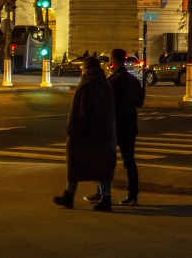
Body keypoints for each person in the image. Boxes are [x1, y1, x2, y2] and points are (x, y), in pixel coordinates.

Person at [54, 56, 116, 212]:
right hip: (104, 133)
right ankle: (105, 198)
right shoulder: (105, 84)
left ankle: (69, 196)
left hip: (85, 135)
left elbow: (80, 112)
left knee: (74, 164)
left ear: (86, 69)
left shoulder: (86, 86)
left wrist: (73, 131)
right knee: (103, 167)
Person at [85, 49, 144, 207]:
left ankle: (101, 192)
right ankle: (133, 195)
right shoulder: (133, 80)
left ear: (113, 61)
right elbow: (140, 103)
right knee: (129, 161)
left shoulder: (111, 81)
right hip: (130, 126)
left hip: (113, 126)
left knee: (105, 160)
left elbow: (104, 104)